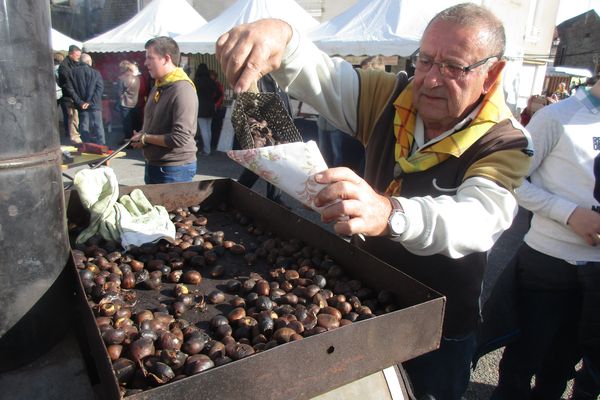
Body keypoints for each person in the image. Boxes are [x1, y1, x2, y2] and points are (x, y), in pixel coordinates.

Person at [216, 3, 532, 399]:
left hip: (438, 327)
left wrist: (389, 213)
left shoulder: (505, 141)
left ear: (493, 74)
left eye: (453, 67)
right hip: (364, 307)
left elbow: (478, 220)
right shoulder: (392, 97)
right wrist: (283, 37)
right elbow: (325, 77)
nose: (431, 80)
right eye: (426, 60)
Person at [489, 77, 600, 400]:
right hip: (548, 264)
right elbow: (511, 178)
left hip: (597, 277)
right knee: (523, 360)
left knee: (563, 364)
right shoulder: (557, 117)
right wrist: (568, 213)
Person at [130, 36, 198, 184]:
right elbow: (156, 124)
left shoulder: (182, 89)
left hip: (175, 169)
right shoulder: (159, 85)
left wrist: (146, 138)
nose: (145, 62)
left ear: (166, 59)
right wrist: (142, 136)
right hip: (154, 165)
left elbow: (180, 138)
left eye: (150, 58)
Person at [236, 73, 290, 207]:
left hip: (280, 127)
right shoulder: (258, 77)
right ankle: (237, 191)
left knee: (276, 164)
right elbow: (250, 104)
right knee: (257, 165)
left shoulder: (280, 78)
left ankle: (274, 197)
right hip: (263, 129)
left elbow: (284, 101)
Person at [69, 53, 106, 145]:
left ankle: (86, 147)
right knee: (98, 126)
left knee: (84, 125)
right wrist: (90, 102)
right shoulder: (96, 73)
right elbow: (100, 89)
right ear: (89, 62)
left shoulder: (72, 73)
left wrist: (80, 102)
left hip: (81, 104)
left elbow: (70, 90)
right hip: (95, 104)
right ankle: (102, 147)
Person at [57, 44, 82, 144]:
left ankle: (75, 134)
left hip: (75, 95)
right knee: (72, 116)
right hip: (69, 97)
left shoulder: (74, 64)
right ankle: (73, 136)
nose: (78, 58)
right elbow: (68, 84)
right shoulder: (64, 67)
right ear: (71, 54)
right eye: (77, 56)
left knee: (75, 117)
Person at [194, 63, 219, 156]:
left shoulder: (196, 81)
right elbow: (218, 93)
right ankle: (207, 148)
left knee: (204, 129)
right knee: (208, 129)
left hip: (200, 107)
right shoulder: (212, 81)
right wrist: (214, 101)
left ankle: (207, 150)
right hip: (210, 107)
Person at [116, 60, 141, 143]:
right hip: (135, 103)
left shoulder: (121, 78)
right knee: (135, 123)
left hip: (125, 103)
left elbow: (118, 93)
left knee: (127, 124)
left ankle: (128, 141)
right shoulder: (137, 78)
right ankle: (136, 140)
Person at [209, 69, 226, 148]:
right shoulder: (210, 84)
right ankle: (211, 143)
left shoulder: (218, 84)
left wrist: (216, 105)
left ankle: (214, 143)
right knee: (211, 127)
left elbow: (222, 96)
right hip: (211, 107)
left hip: (217, 108)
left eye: (211, 76)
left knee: (215, 127)